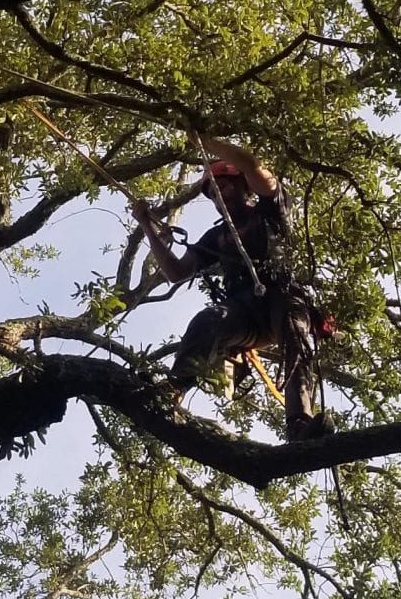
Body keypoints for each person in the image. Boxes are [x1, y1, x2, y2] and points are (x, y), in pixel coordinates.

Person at [131, 136, 335, 442]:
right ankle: (174, 389)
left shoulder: (271, 211)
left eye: (223, 186)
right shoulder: (216, 237)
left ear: (241, 186)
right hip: (245, 313)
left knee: (294, 332)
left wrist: (203, 137)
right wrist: (147, 225)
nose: (218, 196)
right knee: (207, 320)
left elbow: (252, 165)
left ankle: (299, 423)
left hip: (283, 298)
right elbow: (176, 272)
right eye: (212, 193)